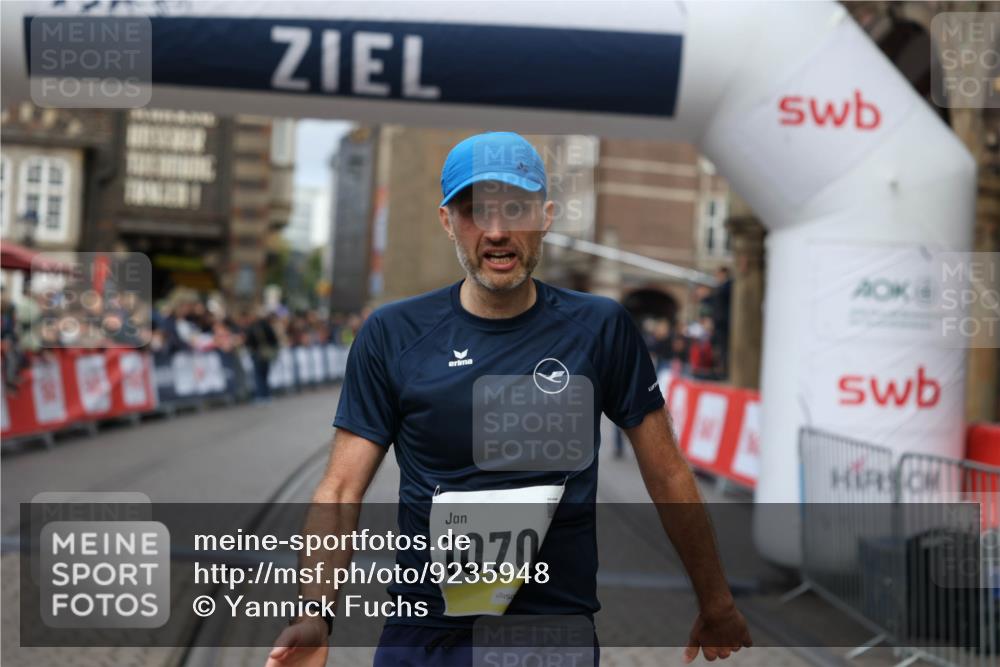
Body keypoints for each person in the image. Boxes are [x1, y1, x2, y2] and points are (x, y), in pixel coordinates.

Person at [266, 132, 751, 667]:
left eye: (515, 209)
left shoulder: (600, 328)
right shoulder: (393, 334)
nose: (497, 233)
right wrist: (315, 610)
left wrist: (716, 600)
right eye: (475, 212)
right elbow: (339, 488)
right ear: (447, 220)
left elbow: (668, 474)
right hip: (426, 634)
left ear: (545, 215)